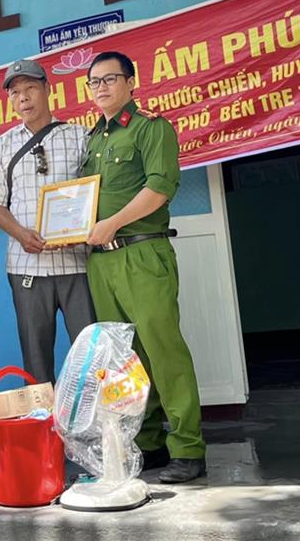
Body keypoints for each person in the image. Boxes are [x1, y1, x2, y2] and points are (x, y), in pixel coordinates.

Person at [81, 51, 207, 484]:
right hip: (101, 263)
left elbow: (159, 187)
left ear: (131, 82)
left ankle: (188, 448)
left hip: (142, 252)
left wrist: (112, 223)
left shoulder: (152, 129)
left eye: (110, 79)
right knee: (126, 360)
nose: (101, 87)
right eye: (93, 82)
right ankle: (149, 443)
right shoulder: (93, 140)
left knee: (163, 348)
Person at [0, 59, 95, 383]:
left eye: (30, 88)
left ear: (47, 88)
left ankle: (95, 429)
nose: (23, 97)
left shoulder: (79, 136)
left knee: (90, 353)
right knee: (36, 357)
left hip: (78, 263)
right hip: (26, 266)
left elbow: (93, 192)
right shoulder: (1, 146)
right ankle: (46, 431)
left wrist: (82, 229)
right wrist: (20, 234)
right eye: (15, 92)